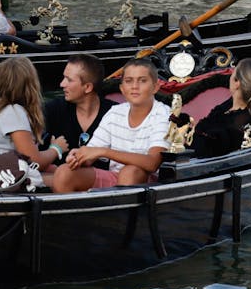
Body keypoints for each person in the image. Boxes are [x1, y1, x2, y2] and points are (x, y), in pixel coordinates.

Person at [49, 59, 169, 192]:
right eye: (129, 81)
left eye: (142, 80)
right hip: (116, 179)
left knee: (130, 172)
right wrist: (79, 157)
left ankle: (121, 212)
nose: (135, 86)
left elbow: (152, 163)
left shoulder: (163, 114)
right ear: (122, 88)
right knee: (64, 172)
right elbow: (91, 153)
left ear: (156, 87)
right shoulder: (115, 112)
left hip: (150, 184)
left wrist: (104, 152)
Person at [0, 56, 45, 187]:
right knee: (62, 177)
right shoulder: (14, 112)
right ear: (30, 85)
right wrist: (57, 148)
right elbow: (35, 161)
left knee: (55, 172)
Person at [37, 54, 114, 169]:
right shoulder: (52, 110)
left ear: (87, 87)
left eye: (69, 79)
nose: (62, 84)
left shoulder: (115, 114)